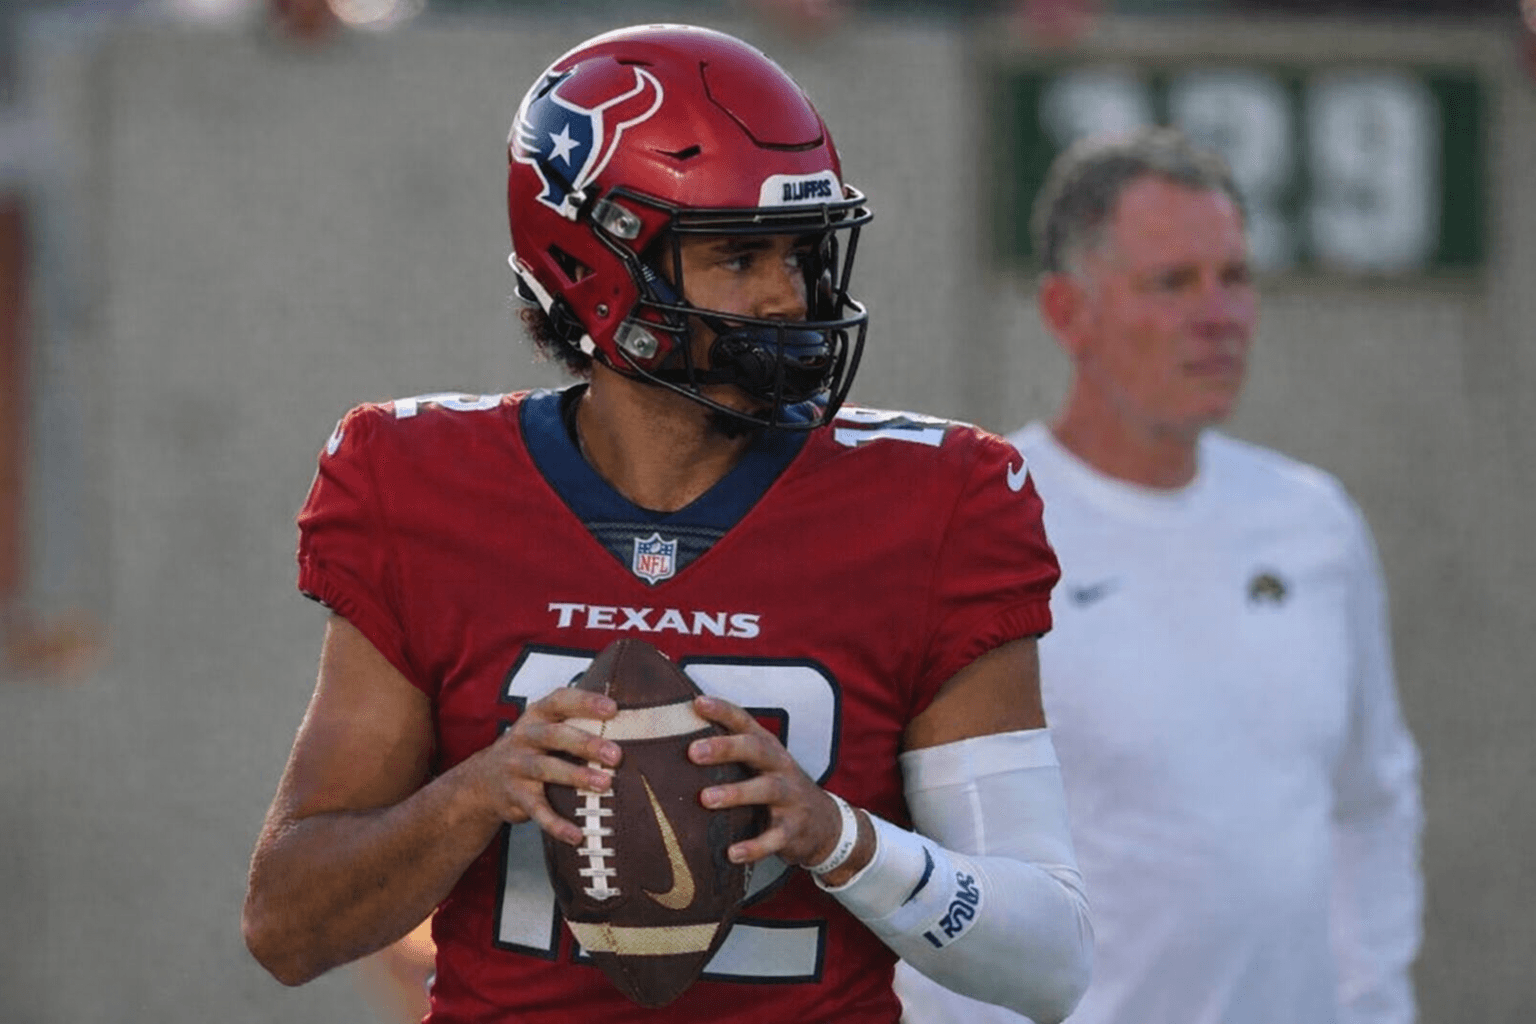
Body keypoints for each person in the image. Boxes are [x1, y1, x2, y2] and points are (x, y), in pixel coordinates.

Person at [242, 24, 1092, 1024]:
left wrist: (839, 838)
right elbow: (287, 928)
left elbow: (1048, 962)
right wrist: (476, 792)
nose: (786, 294)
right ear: (596, 263)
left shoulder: (936, 501)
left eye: (800, 252)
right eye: (737, 255)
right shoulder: (421, 484)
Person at [894, 127, 1422, 1024]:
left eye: (1235, 277)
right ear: (1067, 312)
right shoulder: (981, 525)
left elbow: (1370, 801)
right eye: (1173, 283)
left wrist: (1374, 1004)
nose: (1220, 314)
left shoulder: (1315, 521)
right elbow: (932, 865)